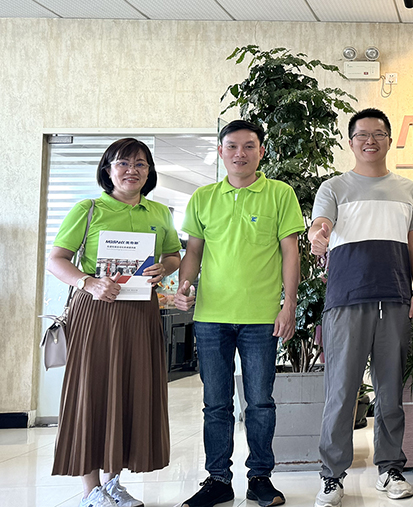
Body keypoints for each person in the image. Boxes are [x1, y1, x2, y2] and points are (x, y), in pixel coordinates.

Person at [174, 120, 305, 507]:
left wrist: (289, 304)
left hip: (261, 317)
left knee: (260, 402)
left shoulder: (279, 194)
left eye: (249, 146)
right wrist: (184, 286)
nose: (240, 153)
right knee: (216, 404)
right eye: (231, 146)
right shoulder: (203, 197)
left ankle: (260, 478)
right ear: (220, 152)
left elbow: (291, 252)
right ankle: (218, 479)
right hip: (211, 317)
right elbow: (193, 251)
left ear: (261, 151)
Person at [46, 138, 181, 507]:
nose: (131, 171)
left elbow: (173, 255)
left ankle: (113, 483)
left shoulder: (159, 213)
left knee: (130, 390)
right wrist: (87, 282)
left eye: (140, 164)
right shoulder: (88, 209)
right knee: (93, 391)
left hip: (140, 311)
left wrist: (164, 267)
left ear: (149, 172)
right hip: (96, 312)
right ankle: (90, 491)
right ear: (108, 169)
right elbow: (56, 259)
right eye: (123, 163)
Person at [308, 108, 413, 507]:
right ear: (351, 141)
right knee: (341, 393)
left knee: (390, 393)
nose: (370, 140)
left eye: (378, 134)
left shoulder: (408, 190)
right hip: (346, 301)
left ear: (390, 140)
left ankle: (389, 468)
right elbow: (320, 224)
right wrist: (318, 234)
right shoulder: (334, 187)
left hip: (394, 298)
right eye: (362, 135)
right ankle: (331, 475)